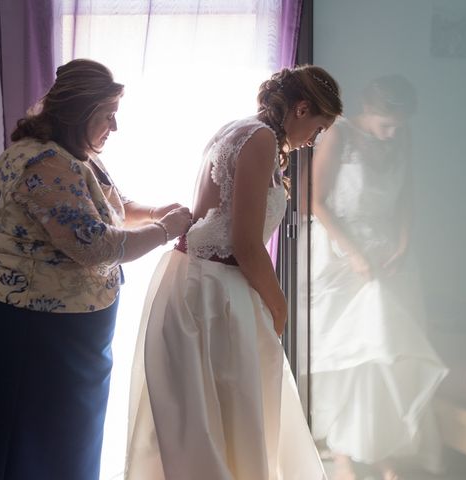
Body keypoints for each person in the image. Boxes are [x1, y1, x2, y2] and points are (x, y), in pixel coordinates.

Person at [0, 58, 192, 480]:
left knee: (63, 441)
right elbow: (96, 245)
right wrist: (166, 229)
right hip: (32, 329)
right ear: (80, 112)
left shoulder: (71, 154)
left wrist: (155, 211)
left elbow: (109, 207)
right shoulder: (43, 163)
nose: (114, 127)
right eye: (107, 115)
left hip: (65, 332)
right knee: (28, 441)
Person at [125, 65, 343, 480]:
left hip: (195, 280)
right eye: (318, 129)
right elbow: (245, 245)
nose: (314, 142)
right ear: (301, 109)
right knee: (222, 416)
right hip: (214, 293)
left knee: (207, 418)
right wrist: (278, 306)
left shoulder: (240, 129)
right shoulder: (259, 139)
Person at [308, 75, 448, 480]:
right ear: (367, 112)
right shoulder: (338, 136)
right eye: (386, 124)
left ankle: (384, 451)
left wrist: (403, 244)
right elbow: (316, 202)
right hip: (341, 253)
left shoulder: (401, 138)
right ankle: (344, 455)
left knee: (388, 358)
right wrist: (354, 254)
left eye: (399, 125)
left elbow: (407, 197)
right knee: (352, 356)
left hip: (388, 254)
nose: (392, 132)